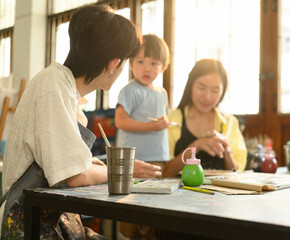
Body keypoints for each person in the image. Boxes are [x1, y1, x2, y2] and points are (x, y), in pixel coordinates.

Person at [0, 4, 161, 239]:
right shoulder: (52, 87)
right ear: (114, 63)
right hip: (28, 226)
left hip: (56, 220)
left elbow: (76, 165)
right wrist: (122, 171)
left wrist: (107, 167)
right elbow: (74, 175)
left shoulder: (67, 91)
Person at [163, 58, 247, 177]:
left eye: (215, 90)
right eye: (201, 88)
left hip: (219, 195)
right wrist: (195, 146)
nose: (207, 97)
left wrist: (226, 150)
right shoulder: (170, 120)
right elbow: (164, 173)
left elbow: (237, 174)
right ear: (190, 86)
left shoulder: (230, 122)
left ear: (222, 92)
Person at [115, 34, 171, 171]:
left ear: (163, 67)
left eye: (154, 63)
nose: (147, 68)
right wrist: (150, 126)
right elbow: (120, 121)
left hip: (159, 157)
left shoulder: (162, 92)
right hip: (133, 158)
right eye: (140, 62)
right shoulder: (130, 90)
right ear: (131, 63)